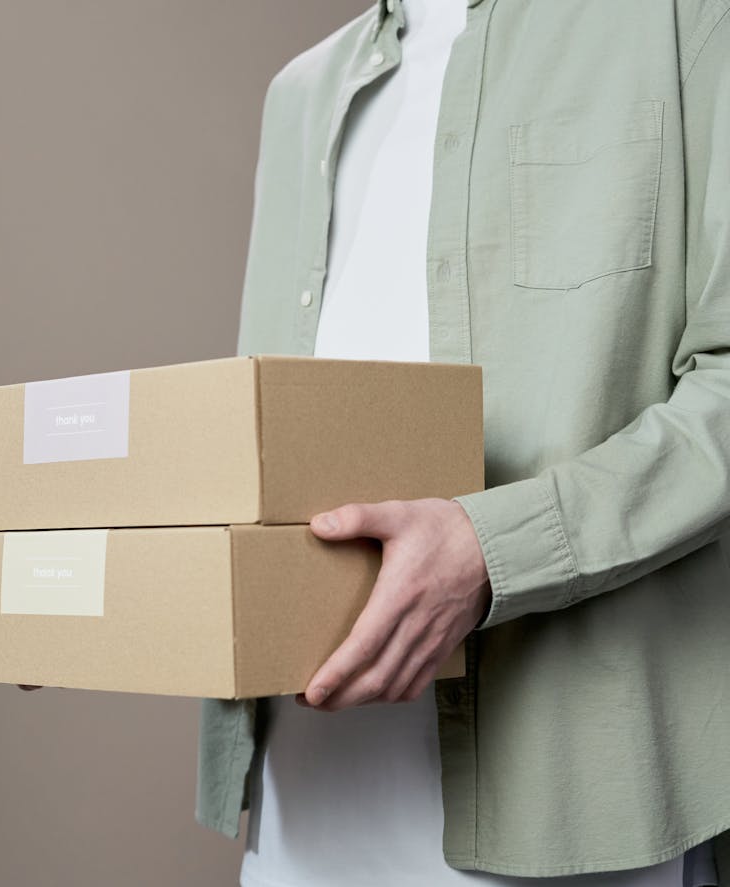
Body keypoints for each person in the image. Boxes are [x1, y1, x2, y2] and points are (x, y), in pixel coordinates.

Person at [197, 0, 730, 883]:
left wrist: (494, 551)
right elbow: (263, 441)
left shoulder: (686, 22)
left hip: (574, 808)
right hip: (303, 808)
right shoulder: (299, 92)